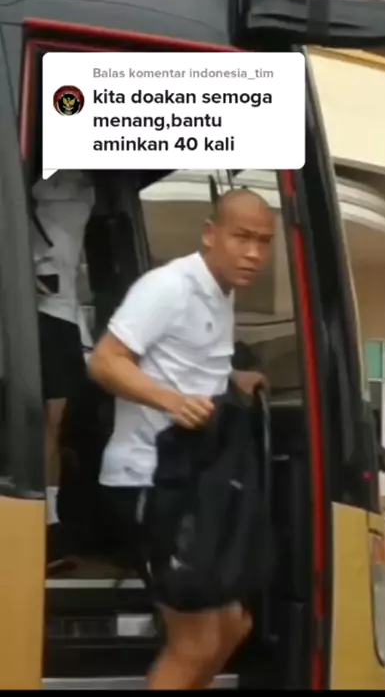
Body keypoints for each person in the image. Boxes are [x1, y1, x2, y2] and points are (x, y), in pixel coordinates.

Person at [88, 188, 275, 690]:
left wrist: (231, 381)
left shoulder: (220, 291)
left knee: (234, 625)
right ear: (210, 234)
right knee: (195, 643)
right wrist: (171, 401)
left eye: (264, 241)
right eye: (241, 237)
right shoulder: (169, 287)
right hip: (148, 481)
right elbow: (105, 361)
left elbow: (185, 361)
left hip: (192, 478)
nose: (253, 253)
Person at [32, 170, 95, 547]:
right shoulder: (79, 194)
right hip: (56, 322)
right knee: (50, 428)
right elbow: (50, 281)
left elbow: (47, 280)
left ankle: (49, 518)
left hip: (52, 321)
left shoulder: (33, 198)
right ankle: (49, 520)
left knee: (47, 428)